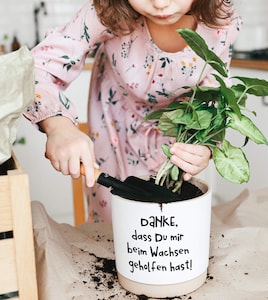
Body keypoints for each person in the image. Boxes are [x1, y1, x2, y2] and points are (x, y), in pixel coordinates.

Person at [25, 0, 241, 222]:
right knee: (112, 224)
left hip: (175, 137)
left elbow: (215, 92)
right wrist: (58, 126)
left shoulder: (222, 20)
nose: (160, 4)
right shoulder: (107, 10)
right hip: (112, 131)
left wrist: (204, 145)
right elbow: (34, 70)